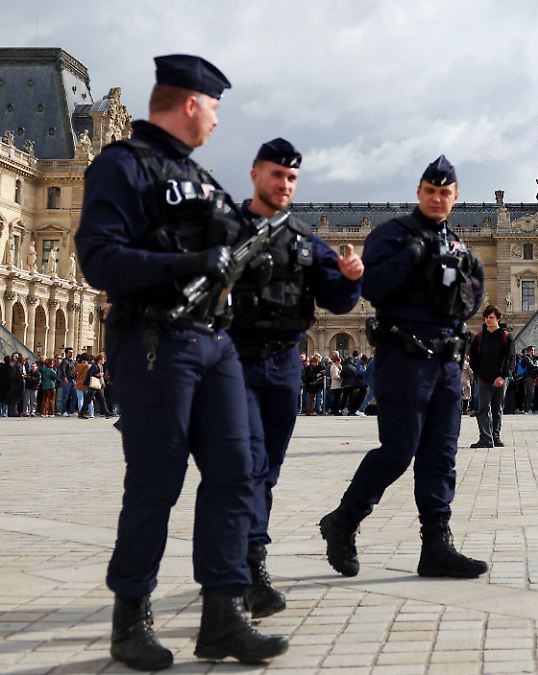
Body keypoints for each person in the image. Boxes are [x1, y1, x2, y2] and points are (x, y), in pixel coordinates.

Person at [75, 55, 287, 669]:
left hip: (215, 343)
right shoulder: (122, 165)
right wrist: (185, 265)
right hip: (154, 338)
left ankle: (223, 615)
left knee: (238, 472)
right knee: (156, 478)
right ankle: (131, 617)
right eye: (214, 108)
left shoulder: (199, 176)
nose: (218, 121)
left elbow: (232, 247)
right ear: (191, 103)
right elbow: (98, 260)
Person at [320, 156, 487, 580]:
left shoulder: (460, 248)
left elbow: (472, 300)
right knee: (397, 451)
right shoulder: (392, 235)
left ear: (455, 197)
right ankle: (344, 520)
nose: (437, 198)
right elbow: (372, 287)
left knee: (441, 456)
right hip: (404, 358)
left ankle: (436, 546)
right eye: (430, 191)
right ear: (419, 192)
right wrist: (413, 256)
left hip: (446, 364)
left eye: (445, 192)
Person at [227, 138, 363, 618]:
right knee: (246, 464)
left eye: (291, 177)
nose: (284, 183)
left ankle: (245, 560)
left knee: (267, 467)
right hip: (236, 361)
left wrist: (350, 277)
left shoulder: (305, 240)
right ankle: (250, 565)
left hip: (285, 363)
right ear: (255, 175)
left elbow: (339, 300)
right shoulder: (225, 229)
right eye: (276, 174)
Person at [468, 304, 513, 447]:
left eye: (491, 317)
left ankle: (495, 437)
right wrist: (479, 374)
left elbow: (511, 358)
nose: (488, 320)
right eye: (486, 317)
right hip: (484, 378)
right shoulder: (479, 337)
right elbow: (473, 358)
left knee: (497, 408)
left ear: (498, 319)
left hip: (500, 378)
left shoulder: (506, 337)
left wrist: (503, 376)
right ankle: (485, 438)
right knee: (483, 408)